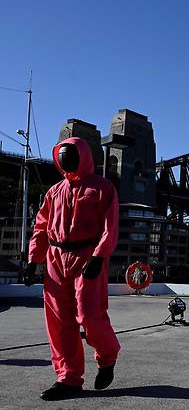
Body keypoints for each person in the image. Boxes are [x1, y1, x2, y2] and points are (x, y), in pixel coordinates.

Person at [24, 137, 121, 400]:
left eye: (71, 153)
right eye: (62, 154)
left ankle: (107, 356)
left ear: (84, 156)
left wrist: (100, 257)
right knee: (59, 321)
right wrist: (34, 260)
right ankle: (68, 378)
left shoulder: (103, 188)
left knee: (90, 315)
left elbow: (110, 227)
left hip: (87, 256)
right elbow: (41, 226)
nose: (66, 158)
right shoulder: (54, 191)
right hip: (55, 258)